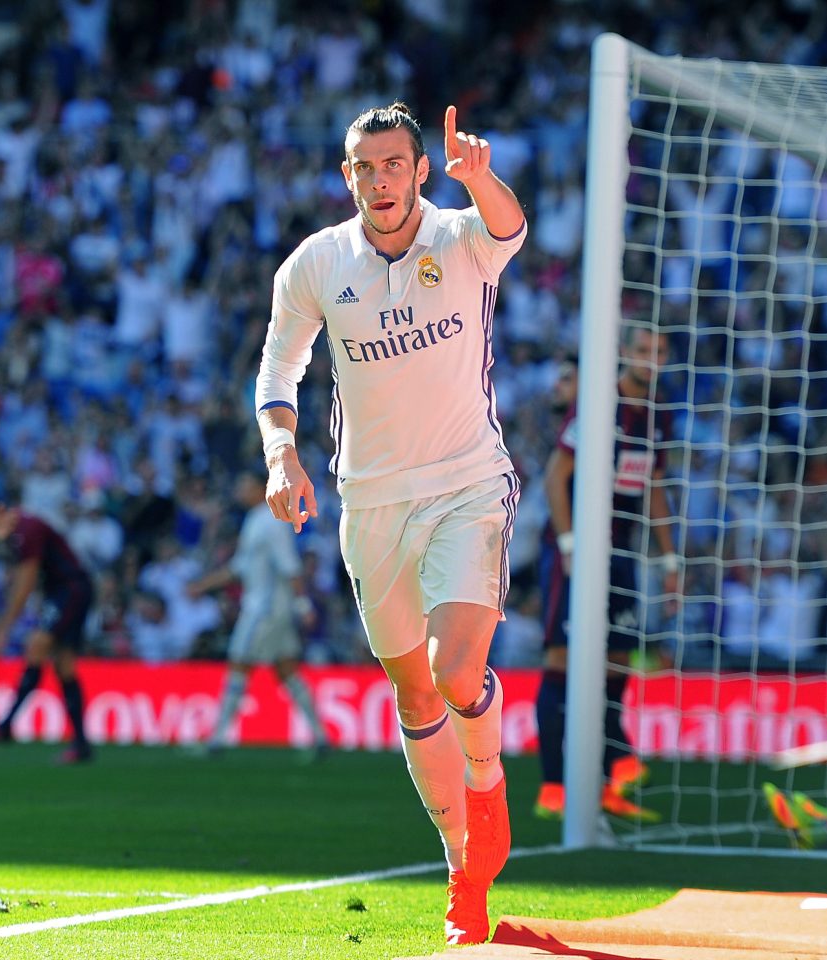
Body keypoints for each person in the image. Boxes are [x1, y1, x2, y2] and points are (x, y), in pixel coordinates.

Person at [255, 102, 526, 946]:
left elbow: (510, 228)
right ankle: (461, 870)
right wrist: (279, 452)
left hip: (466, 486)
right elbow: (280, 364)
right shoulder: (315, 264)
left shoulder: (459, 237)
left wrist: (478, 173)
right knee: (412, 691)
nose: (379, 180)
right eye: (363, 167)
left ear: (418, 170)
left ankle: (487, 790)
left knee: (453, 673)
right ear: (349, 178)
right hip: (368, 501)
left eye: (393, 165)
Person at [534, 325, 678, 823]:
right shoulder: (599, 404)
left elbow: (654, 486)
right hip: (574, 551)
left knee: (616, 667)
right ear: (624, 353)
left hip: (622, 554)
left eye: (660, 351)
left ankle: (606, 781)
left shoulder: (657, 415)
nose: (652, 358)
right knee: (562, 660)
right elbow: (556, 476)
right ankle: (553, 787)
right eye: (644, 349)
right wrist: (570, 544)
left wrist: (670, 559)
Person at [186, 468, 328, 755]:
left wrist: (304, 605)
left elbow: (290, 566)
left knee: (239, 663)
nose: (239, 491)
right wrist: (202, 586)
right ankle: (321, 737)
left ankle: (216, 740)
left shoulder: (272, 521)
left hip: (264, 611)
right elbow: (239, 568)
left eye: (244, 485)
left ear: (259, 487)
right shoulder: (255, 520)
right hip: (272, 609)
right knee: (286, 669)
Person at [0, 494, 94, 763]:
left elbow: (25, 582)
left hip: (69, 590)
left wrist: (4, 627)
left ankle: (4, 726)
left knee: (36, 645)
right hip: (67, 590)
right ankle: (82, 745)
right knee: (65, 667)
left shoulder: (27, 529)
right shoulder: (19, 531)